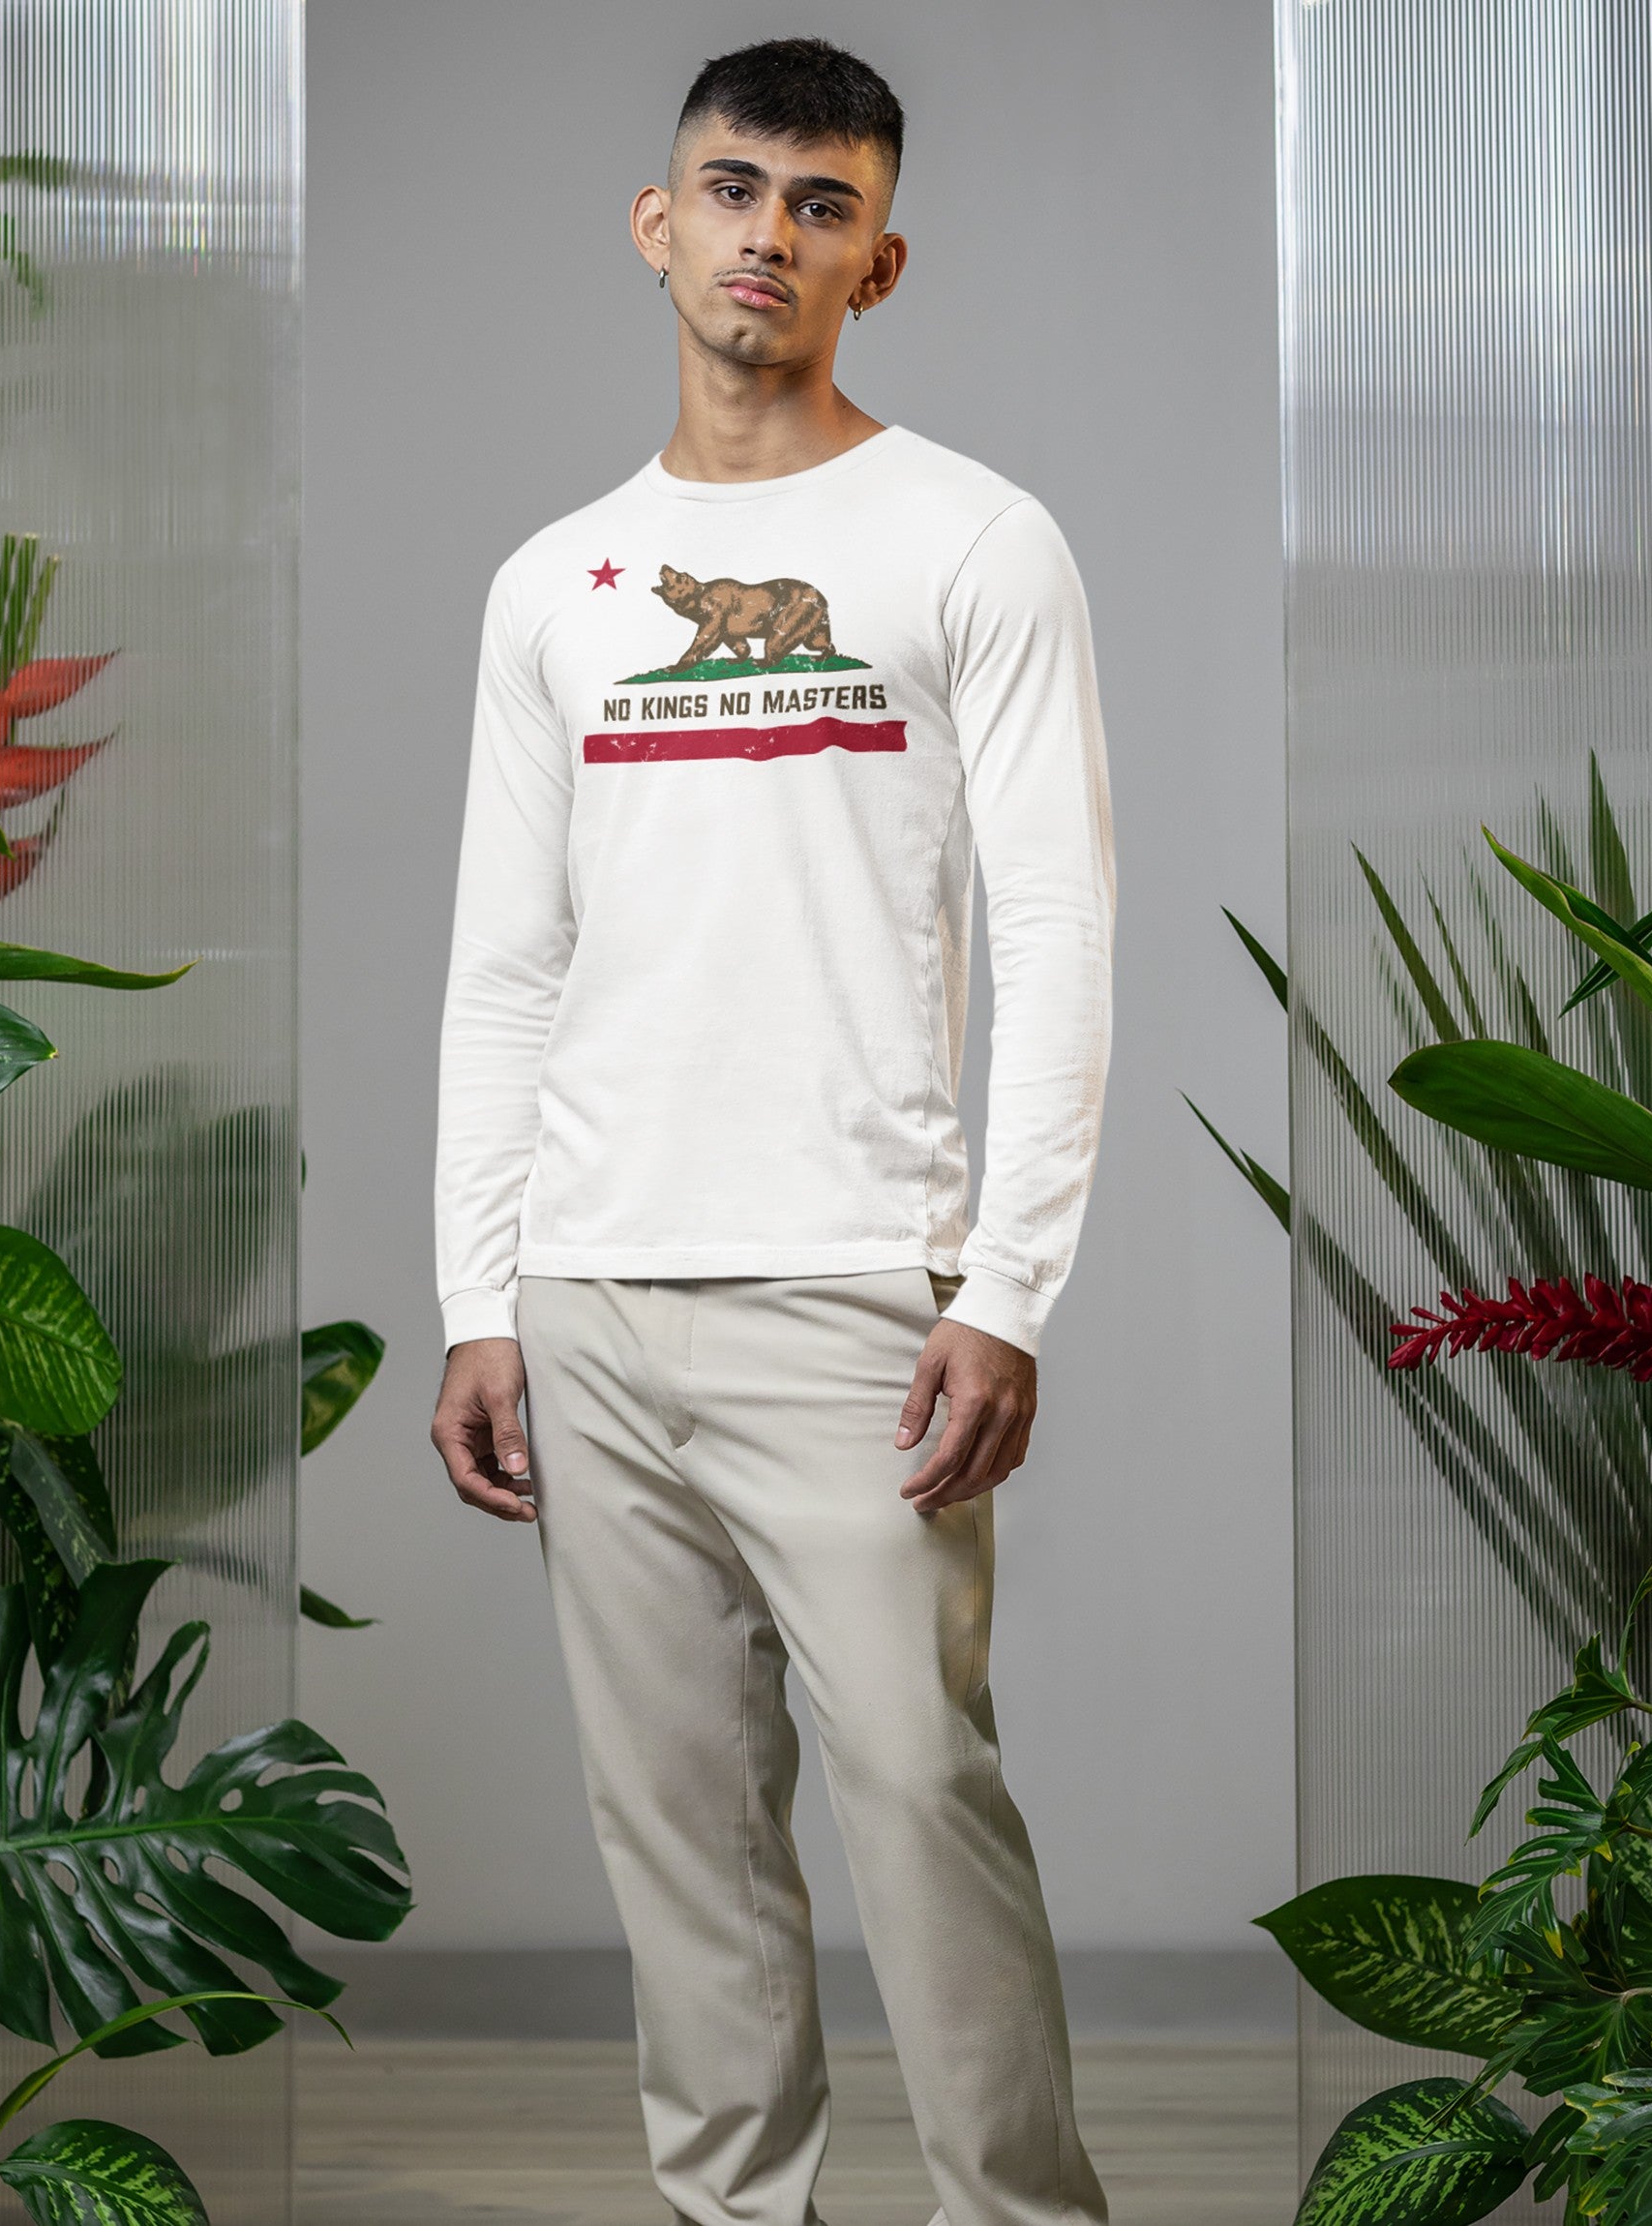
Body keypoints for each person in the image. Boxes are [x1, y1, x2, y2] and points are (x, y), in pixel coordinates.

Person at [432, 36, 1115, 2226]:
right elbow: (506, 964)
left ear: (878, 262)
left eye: (819, 207)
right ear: (659, 225)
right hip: (593, 1287)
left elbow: (1060, 936)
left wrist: (1003, 1288)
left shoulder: (973, 542)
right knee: (684, 1845)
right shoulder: (555, 584)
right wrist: (476, 1296)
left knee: (917, 1797)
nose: (765, 234)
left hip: (854, 1290)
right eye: (731, 188)